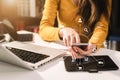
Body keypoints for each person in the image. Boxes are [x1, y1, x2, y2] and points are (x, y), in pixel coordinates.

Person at [39, 0, 112, 59]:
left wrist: (93, 44)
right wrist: (62, 31)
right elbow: (44, 29)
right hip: (67, 51)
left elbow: (102, 27)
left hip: (95, 52)